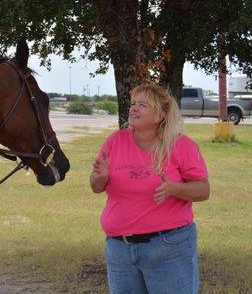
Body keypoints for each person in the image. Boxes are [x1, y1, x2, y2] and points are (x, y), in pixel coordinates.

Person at [90, 84, 210, 294]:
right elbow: (96, 186)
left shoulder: (181, 146)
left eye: (143, 105)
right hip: (120, 250)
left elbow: (203, 190)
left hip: (168, 247)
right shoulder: (116, 141)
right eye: (133, 104)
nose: (134, 108)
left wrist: (174, 188)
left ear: (160, 115)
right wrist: (99, 178)